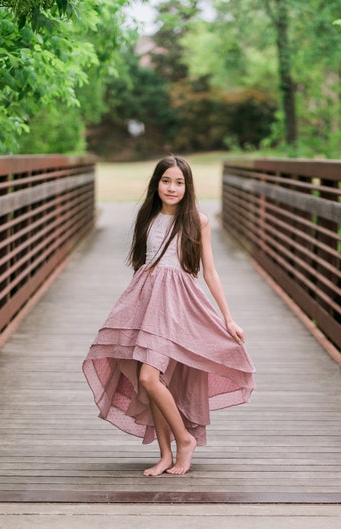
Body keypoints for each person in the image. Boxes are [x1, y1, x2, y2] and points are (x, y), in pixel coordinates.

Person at [82, 155, 255, 476]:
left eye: (179, 182)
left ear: (188, 187)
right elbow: (141, 264)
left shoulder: (197, 221)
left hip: (177, 307)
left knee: (150, 376)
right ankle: (164, 454)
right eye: (166, 181)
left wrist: (228, 318)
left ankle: (184, 440)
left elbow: (210, 272)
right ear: (156, 183)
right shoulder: (147, 217)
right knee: (151, 381)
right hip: (145, 302)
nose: (172, 188)